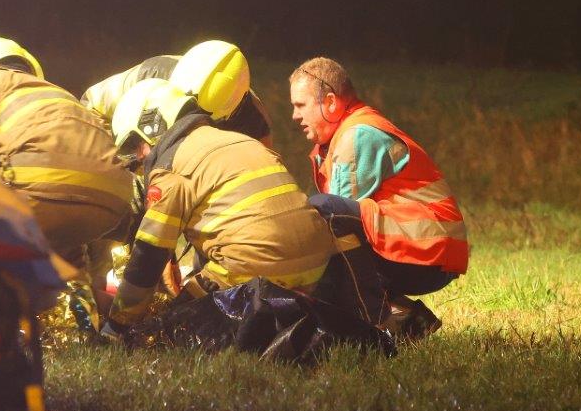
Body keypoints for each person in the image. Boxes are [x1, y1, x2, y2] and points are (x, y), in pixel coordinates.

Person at [103, 78, 388, 356]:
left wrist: (117, 325)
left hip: (255, 269)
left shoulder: (170, 169)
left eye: (135, 145)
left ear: (153, 127)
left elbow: (148, 257)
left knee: (171, 328)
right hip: (315, 267)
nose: (138, 157)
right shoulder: (239, 140)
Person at [0, 37, 135, 316]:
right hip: (112, 203)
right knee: (61, 254)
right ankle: (83, 317)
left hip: (34, 187)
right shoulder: (58, 96)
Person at [288, 56, 468, 338]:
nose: (294, 116)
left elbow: (331, 225)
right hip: (425, 247)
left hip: (430, 252)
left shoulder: (357, 135)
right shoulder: (342, 135)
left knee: (327, 215)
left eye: (300, 105)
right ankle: (408, 319)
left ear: (331, 102)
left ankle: (375, 325)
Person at [81, 40, 274, 146]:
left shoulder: (254, 124)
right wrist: (123, 162)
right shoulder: (150, 74)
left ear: (233, 112)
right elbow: (89, 106)